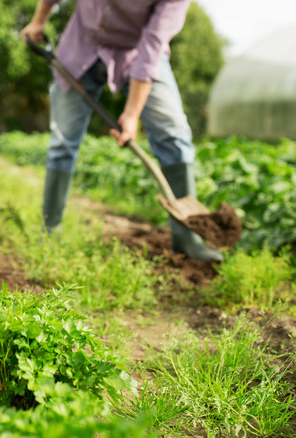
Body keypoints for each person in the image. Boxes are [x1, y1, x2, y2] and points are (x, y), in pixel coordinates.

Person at [21, 0, 223, 261]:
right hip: (82, 44)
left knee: (173, 133)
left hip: (139, 50)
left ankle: (187, 238)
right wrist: (39, 20)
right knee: (63, 141)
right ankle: (50, 233)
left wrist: (132, 113)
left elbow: (153, 44)